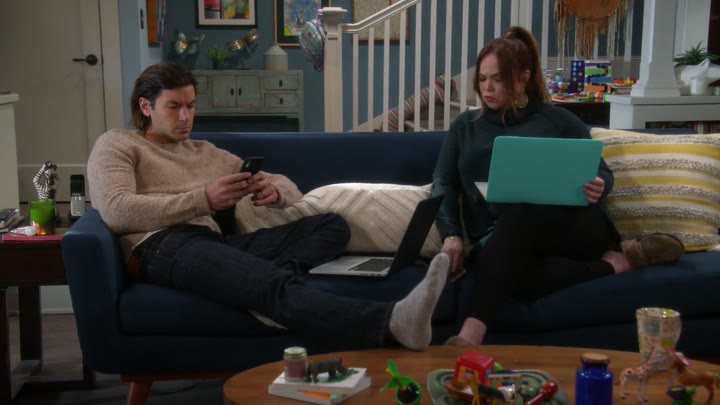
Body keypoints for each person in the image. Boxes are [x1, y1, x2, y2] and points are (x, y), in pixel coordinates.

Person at [87, 61, 448, 351]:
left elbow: (289, 187)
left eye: (191, 106)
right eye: (174, 107)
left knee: (331, 225)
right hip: (159, 245)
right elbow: (116, 210)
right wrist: (203, 200)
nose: (185, 117)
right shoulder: (118, 145)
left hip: (214, 244)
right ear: (146, 106)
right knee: (272, 284)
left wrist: (273, 191)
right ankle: (391, 322)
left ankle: (253, 285)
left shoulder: (205, 152)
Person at [432, 27, 684, 347]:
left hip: (573, 229)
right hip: (499, 239)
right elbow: (443, 182)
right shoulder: (464, 127)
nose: (487, 88)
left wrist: (599, 184)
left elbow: (602, 171)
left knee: (519, 216)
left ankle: (470, 335)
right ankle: (618, 263)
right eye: (482, 79)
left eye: (497, 79)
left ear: (523, 79)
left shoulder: (557, 120)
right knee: (511, 272)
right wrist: (451, 234)